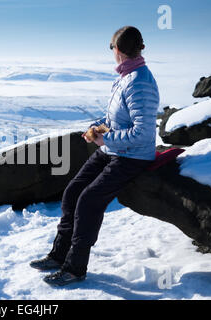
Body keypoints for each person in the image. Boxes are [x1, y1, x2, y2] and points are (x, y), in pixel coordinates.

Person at [30, 26, 160, 286]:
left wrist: (106, 138)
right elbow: (116, 118)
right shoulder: (125, 76)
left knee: (88, 201)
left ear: (118, 49)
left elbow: (144, 133)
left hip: (132, 156)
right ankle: (58, 255)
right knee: (72, 192)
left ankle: (75, 268)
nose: (111, 52)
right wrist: (97, 127)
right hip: (112, 149)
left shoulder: (140, 82)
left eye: (110, 47)